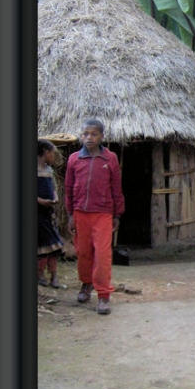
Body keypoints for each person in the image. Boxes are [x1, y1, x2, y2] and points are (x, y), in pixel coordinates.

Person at [65, 119, 125, 315]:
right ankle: (86, 284)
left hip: (103, 213)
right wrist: (70, 214)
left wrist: (117, 213)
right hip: (80, 213)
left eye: (94, 134)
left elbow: (116, 187)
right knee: (83, 252)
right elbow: (68, 188)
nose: (89, 138)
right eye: (85, 134)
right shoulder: (74, 159)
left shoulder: (110, 159)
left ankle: (103, 295)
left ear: (102, 137)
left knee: (102, 254)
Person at [37, 139, 65, 288]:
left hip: (49, 212)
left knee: (54, 244)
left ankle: (54, 275)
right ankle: (40, 273)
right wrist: (40, 201)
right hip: (37, 213)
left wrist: (55, 197)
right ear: (46, 152)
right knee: (41, 245)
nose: (53, 156)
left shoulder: (49, 170)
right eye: (53, 153)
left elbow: (53, 188)